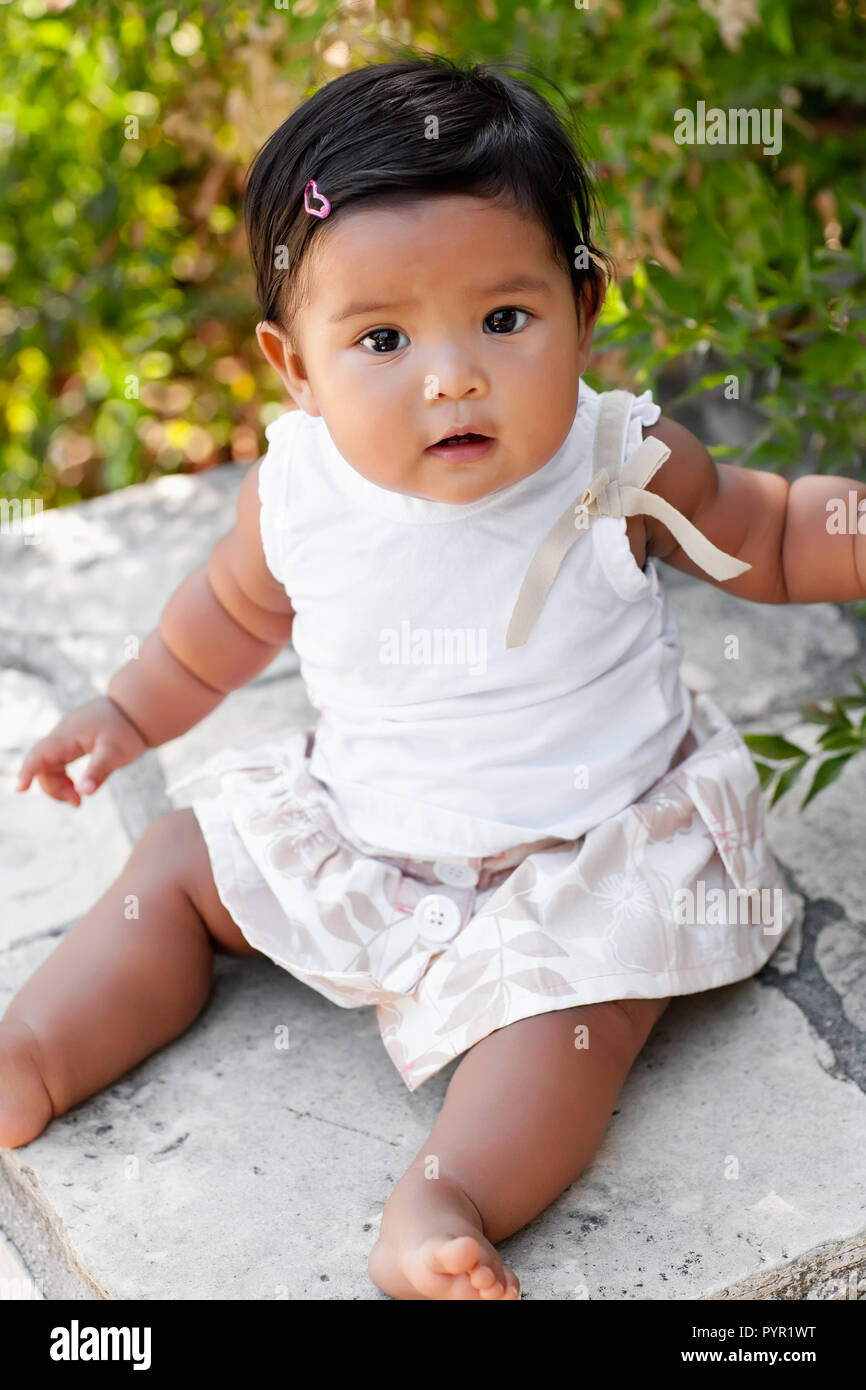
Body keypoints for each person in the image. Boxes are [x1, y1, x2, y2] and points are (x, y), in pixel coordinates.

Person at [4, 55, 861, 1301]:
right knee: (183, 865)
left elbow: (770, 530)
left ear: (582, 306)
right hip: (370, 831)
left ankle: (446, 1195)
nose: (448, 374)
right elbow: (216, 628)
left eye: (503, 321)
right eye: (383, 338)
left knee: (572, 1016)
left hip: (589, 845)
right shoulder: (299, 493)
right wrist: (128, 711)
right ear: (292, 365)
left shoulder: (614, 459)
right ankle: (34, 1046)